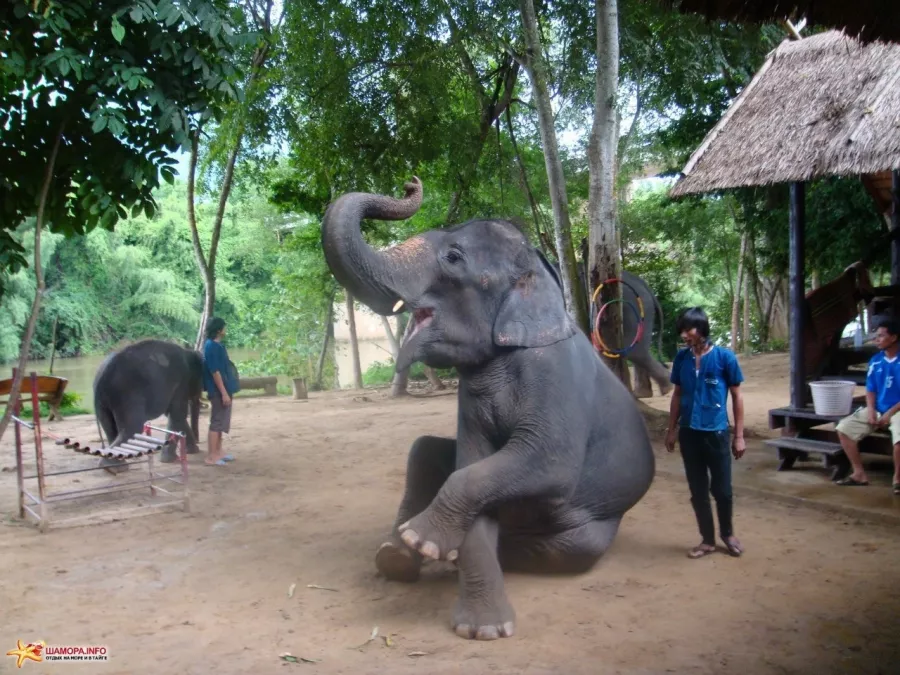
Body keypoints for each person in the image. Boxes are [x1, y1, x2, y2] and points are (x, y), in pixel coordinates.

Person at [664, 307, 746, 559]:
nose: (684, 335)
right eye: (682, 331)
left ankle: (728, 534)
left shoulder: (724, 358)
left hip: (716, 433)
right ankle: (707, 540)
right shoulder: (682, 359)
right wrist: (671, 429)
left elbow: (736, 395)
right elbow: (677, 394)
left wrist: (739, 435)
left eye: (688, 330)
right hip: (689, 433)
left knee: (722, 489)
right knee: (697, 490)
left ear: (701, 329)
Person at [834, 316, 900, 493]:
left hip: (898, 410)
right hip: (878, 408)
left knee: (899, 437)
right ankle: (859, 474)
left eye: (880, 336)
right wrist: (871, 410)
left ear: (893, 338)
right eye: (876, 336)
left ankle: (897, 479)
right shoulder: (876, 361)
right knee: (844, 428)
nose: (876, 340)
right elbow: (871, 390)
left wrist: (889, 414)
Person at [202, 317, 239, 466]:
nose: (225, 329)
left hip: (226, 387)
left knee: (222, 421)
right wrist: (223, 392)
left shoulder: (219, 346)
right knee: (216, 421)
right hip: (217, 390)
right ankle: (211, 456)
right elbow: (215, 372)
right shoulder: (210, 346)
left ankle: (219, 451)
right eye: (223, 327)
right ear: (218, 330)